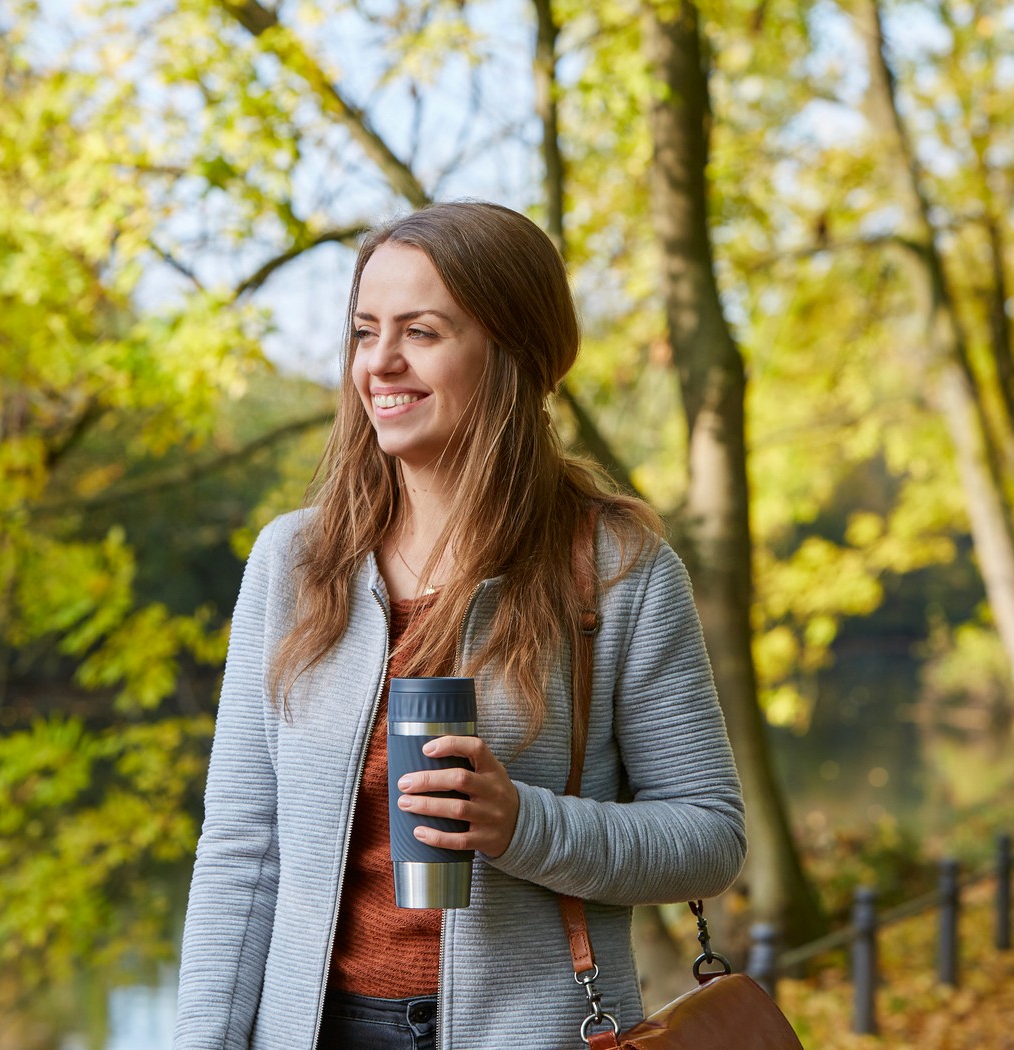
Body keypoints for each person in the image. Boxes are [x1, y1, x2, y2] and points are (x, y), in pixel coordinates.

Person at [173, 201, 746, 1050]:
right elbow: (241, 846)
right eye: (366, 331)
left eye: (422, 332)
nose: (381, 362)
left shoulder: (616, 568)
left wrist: (521, 824)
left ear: (513, 352)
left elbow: (707, 837)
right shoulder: (294, 561)